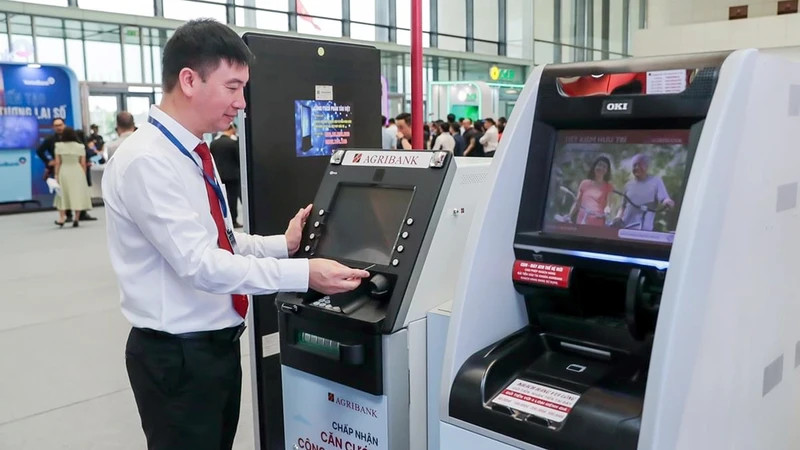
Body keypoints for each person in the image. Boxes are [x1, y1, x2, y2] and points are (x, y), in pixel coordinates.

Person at [101, 19, 369, 450]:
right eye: (232, 87)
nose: (241, 104)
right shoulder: (147, 162)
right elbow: (202, 265)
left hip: (212, 349)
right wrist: (305, 275)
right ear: (189, 79)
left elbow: (221, 240)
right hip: (179, 358)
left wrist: (285, 245)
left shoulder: (191, 154)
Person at [614, 153, 675, 231]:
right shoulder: (628, 185)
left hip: (644, 230)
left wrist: (668, 202)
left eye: (640, 165)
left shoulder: (656, 181)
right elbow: (623, 206)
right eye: (634, 165)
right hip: (625, 229)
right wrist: (617, 218)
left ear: (646, 167)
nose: (637, 168)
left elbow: (664, 199)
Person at [53, 127, 92, 228]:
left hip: (64, 171)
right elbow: (83, 163)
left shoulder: (59, 146)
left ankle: (62, 217)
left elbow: (57, 162)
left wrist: (56, 174)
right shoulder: (80, 147)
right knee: (76, 194)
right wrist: (82, 175)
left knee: (62, 194)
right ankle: (76, 218)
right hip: (77, 171)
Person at [211, 123, 242, 228]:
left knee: (221, 199)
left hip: (219, 175)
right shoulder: (232, 143)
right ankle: (233, 220)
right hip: (233, 175)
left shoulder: (214, 143)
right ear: (232, 129)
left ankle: (223, 222)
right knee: (232, 199)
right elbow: (239, 159)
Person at [568, 156, 614, 226]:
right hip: (582, 220)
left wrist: (607, 211)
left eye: (604, 167)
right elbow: (577, 203)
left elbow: (608, 205)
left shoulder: (608, 187)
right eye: (599, 165)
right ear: (594, 167)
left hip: (598, 222)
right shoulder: (584, 183)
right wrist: (569, 216)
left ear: (607, 171)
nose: (601, 168)